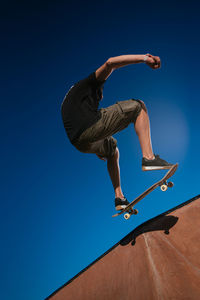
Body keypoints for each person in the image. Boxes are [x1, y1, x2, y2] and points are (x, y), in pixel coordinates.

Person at [61, 54, 173, 211]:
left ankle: (119, 198)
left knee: (112, 149)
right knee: (138, 106)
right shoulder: (90, 83)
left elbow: (75, 124)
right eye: (100, 94)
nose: (102, 97)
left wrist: (95, 145)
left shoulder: (74, 98)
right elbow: (110, 63)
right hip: (90, 126)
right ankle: (149, 158)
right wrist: (144, 58)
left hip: (80, 142)